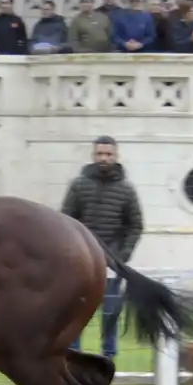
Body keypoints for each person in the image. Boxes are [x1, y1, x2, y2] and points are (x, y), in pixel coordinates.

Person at [61, 136, 143, 360]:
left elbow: (135, 225)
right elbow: (66, 221)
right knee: (77, 312)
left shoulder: (126, 190)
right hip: (82, 262)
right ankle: (74, 357)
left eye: (108, 154)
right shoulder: (79, 186)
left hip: (112, 263)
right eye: (100, 154)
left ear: (116, 157)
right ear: (93, 156)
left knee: (111, 313)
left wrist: (122, 256)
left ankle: (108, 358)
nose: (104, 158)